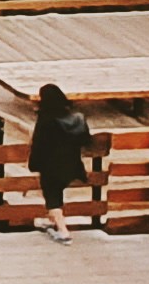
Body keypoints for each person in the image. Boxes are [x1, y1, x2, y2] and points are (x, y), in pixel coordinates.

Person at [28, 84, 101, 237]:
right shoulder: (77, 118)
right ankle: (52, 220)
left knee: (52, 195)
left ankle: (63, 230)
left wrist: (34, 163)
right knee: (57, 191)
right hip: (73, 165)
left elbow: (39, 143)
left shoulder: (46, 119)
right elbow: (85, 140)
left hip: (51, 166)